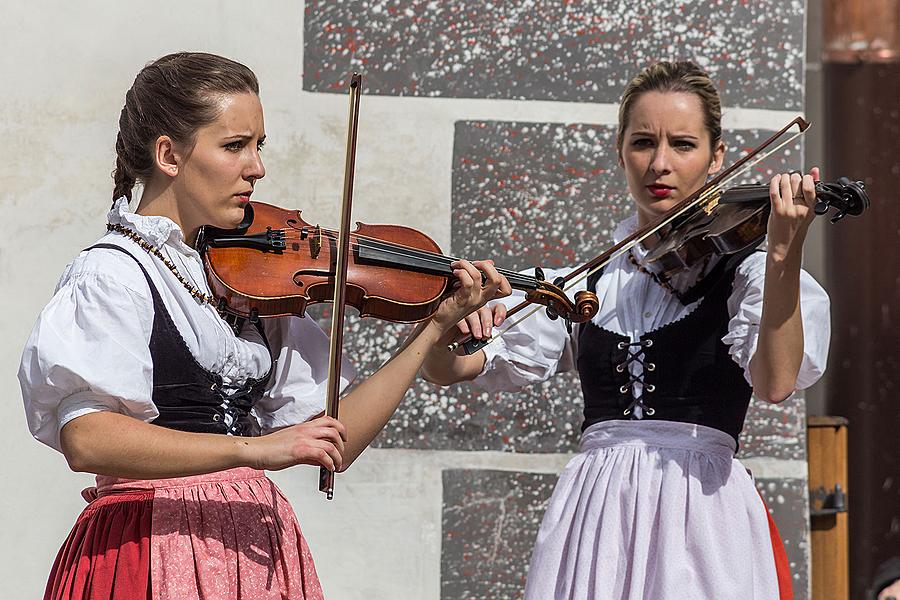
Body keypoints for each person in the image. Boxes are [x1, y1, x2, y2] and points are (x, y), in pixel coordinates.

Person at [18, 52, 510, 600]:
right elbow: (87, 437)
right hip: (150, 541)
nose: (257, 168)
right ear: (168, 155)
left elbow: (335, 441)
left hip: (251, 547)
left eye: (259, 146)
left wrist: (433, 326)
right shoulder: (113, 273)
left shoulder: (249, 285)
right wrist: (254, 452)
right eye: (235, 146)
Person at [422, 60, 830, 599]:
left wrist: (782, 252)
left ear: (718, 158)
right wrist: (446, 323)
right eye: (643, 143)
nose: (660, 163)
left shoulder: (750, 273)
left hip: (703, 515)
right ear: (620, 151)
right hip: (598, 516)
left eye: (683, 144)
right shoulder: (581, 283)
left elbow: (776, 382)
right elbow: (449, 368)